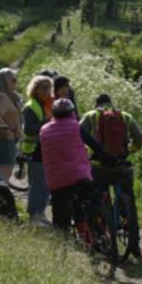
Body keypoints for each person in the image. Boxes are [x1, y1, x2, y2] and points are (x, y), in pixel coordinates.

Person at [81, 94, 142, 259]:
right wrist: (130, 151)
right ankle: (135, 244)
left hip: (97, 167)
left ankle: (99, 239)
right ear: (111, 103)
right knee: (129, 200)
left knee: (95, 201)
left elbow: (78, 136)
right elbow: (139, 138)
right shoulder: (125, 116)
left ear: (96, 104)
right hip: (120, 166)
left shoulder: (91, 116)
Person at [39, 98, 101, 233]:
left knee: (60, 221)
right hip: (78, 176)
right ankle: (98, 233)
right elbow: (94, 145)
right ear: (71, 112)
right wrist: (105, 157)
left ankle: (62, 241)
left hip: (56, 180)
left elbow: (40, 152)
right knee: (94, 198)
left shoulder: (44, 130)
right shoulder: (75, 127)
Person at [21, 74, 54, 222]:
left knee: (47, 183)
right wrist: (46, 123)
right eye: (44, 88)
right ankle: (34, 215)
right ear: (35, 89)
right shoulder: (30, 107)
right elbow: (28, 129)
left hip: (47, 150)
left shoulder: (46, 105)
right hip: (34, 150)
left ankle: (41, 212)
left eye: (49, 88)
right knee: (37, 183)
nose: (47, 91)